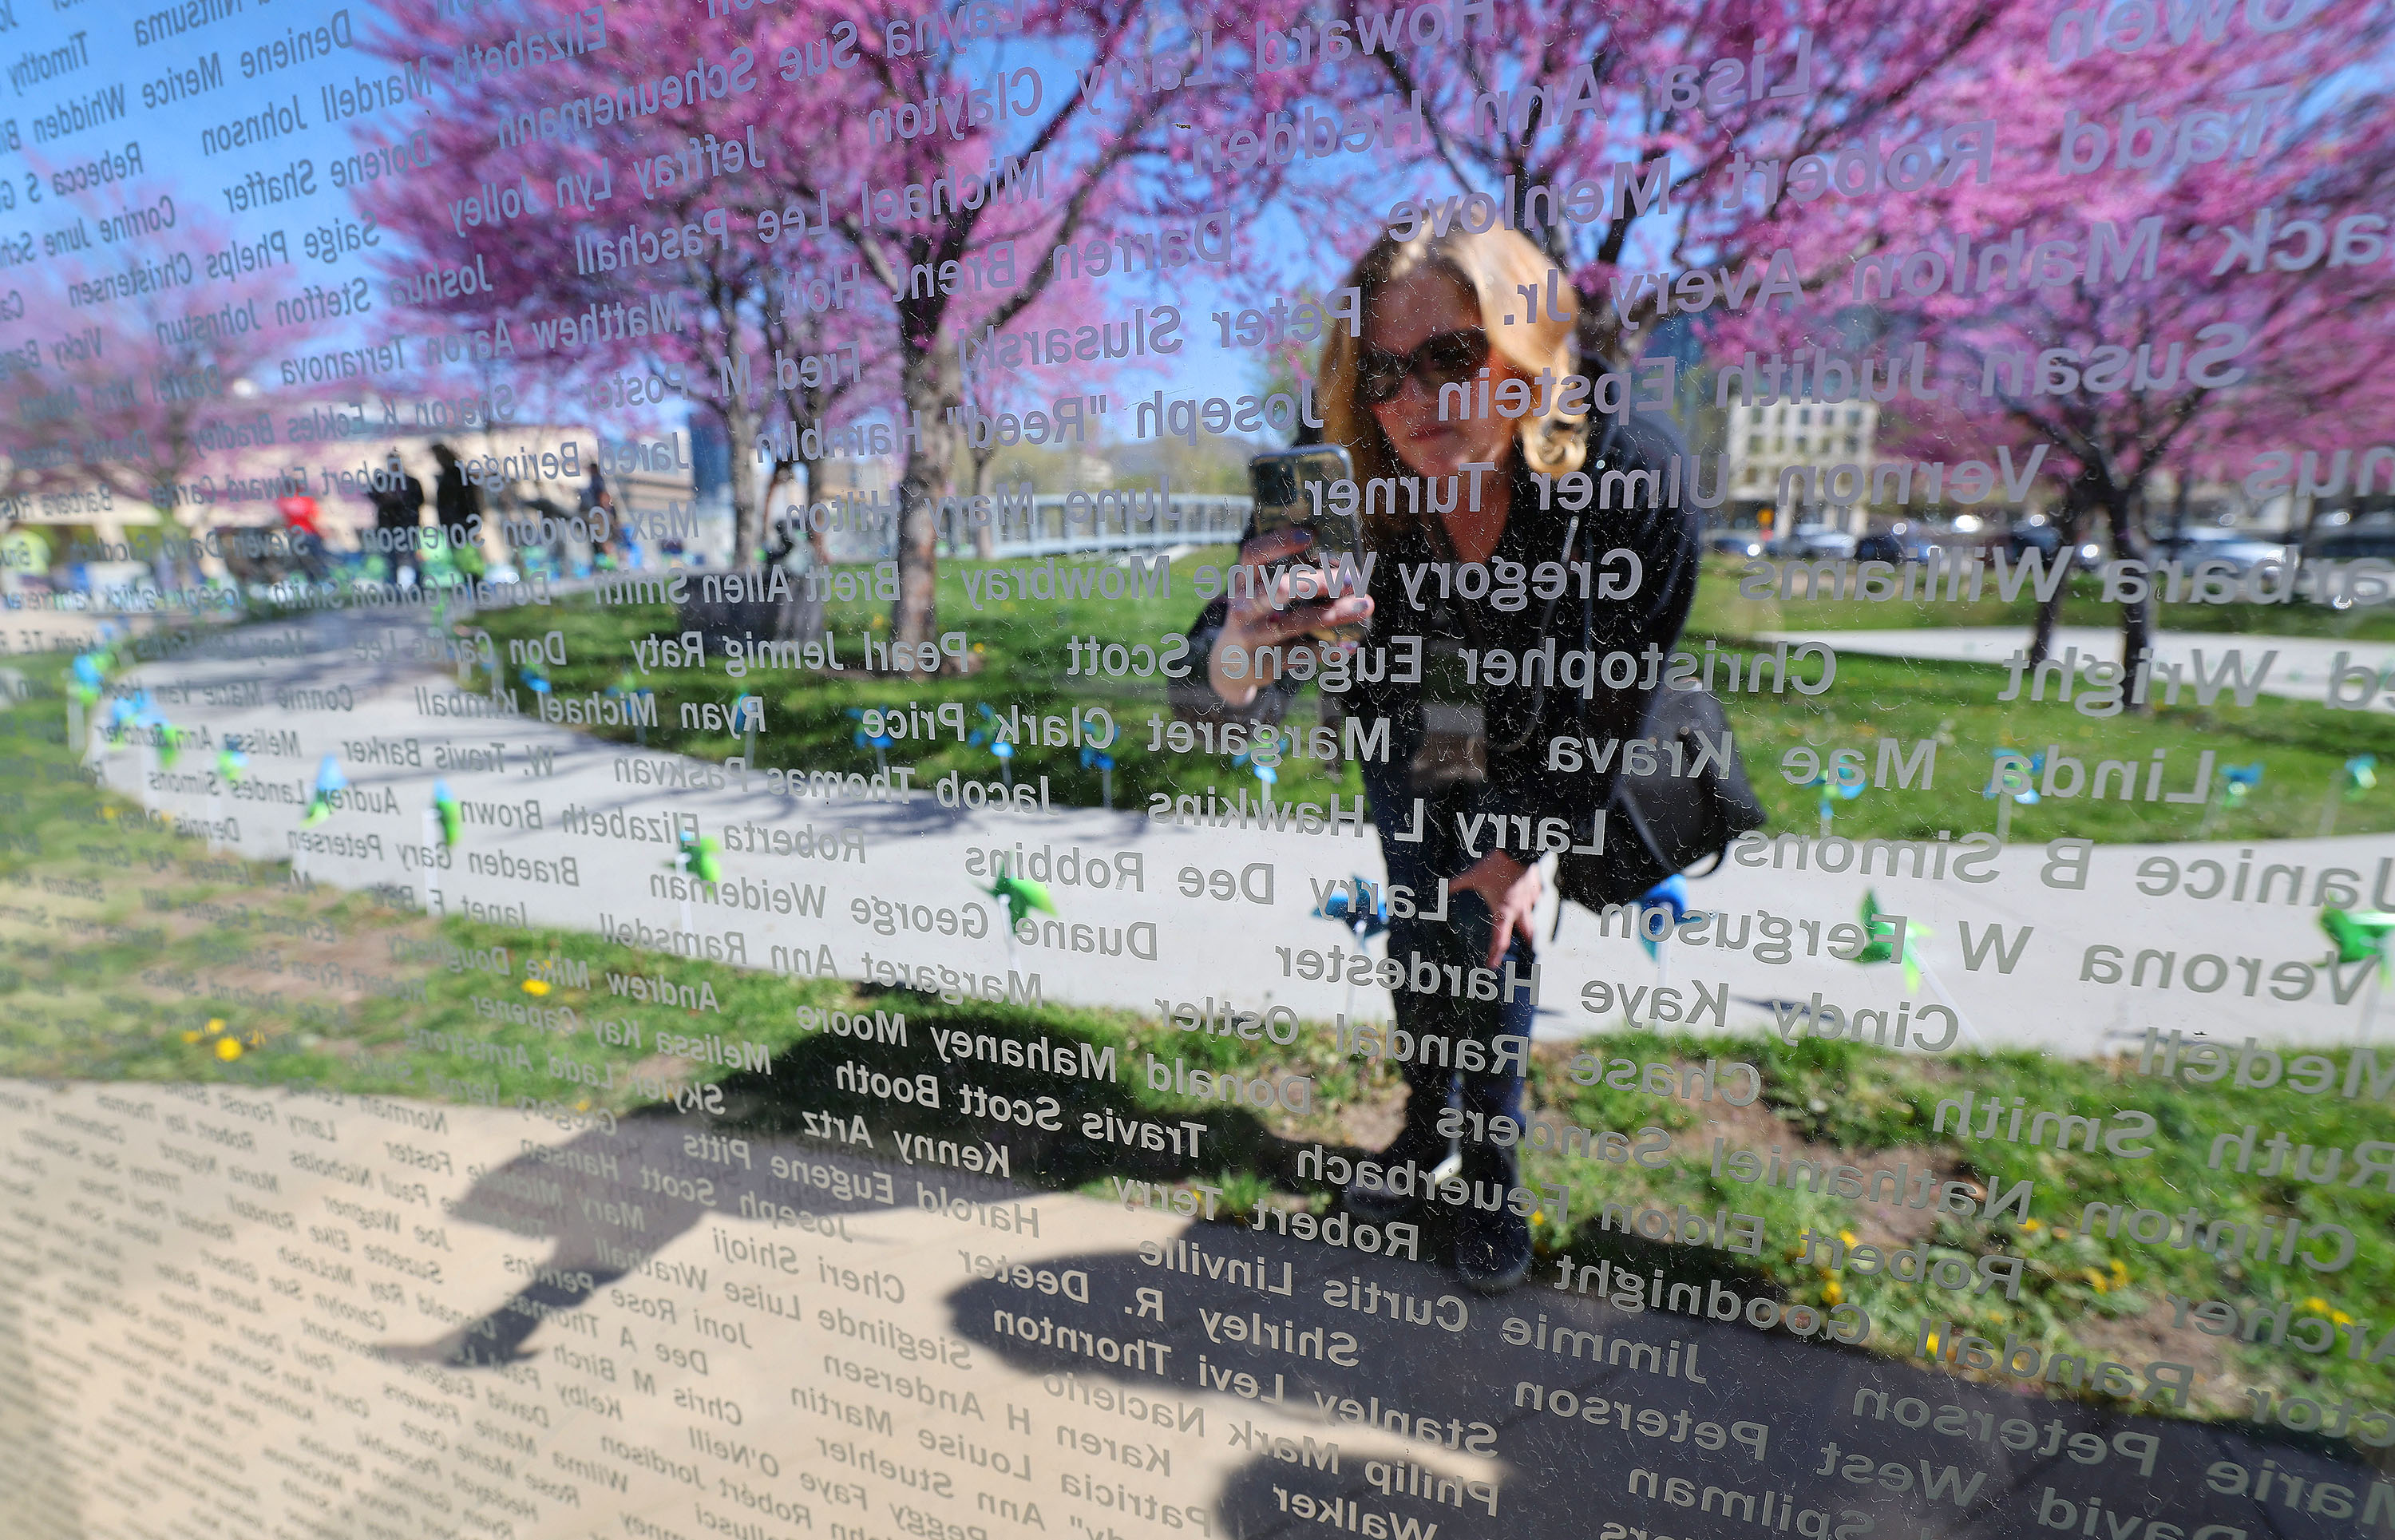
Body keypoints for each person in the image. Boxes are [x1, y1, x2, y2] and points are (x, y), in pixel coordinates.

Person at [1181, 227, 1701, 1292]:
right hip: (1413, 715)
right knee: (1422, 919)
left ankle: (1491, 1167)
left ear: (1525, 353)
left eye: (1453, 357)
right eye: (1383, 370)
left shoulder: (1631, 478)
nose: (1416, 396)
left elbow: (1616, 697)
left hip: (1551, 721)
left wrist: (1520, 848)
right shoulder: (1344, 472)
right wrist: (1244, 643)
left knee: (1491, 922)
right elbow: (1211, 700)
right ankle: (1428, 1129)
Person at [368, 451, 426, 587]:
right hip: (388, 526)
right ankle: (393, 587)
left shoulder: (411, 481)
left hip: (407, 525)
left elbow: (419, 500)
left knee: (412, 557)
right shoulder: (381, 481)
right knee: (391, 559)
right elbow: (374, 497)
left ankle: (418, 585)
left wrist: (401, 501)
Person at [431, 443, 485, 579]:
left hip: (462, 523)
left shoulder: (456, 475)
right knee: (462, 556)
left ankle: (475, 580)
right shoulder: (452, 475)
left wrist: (471, 520)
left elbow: (468, 499)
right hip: (456, 524)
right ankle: (472, 581)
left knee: (467, 556)